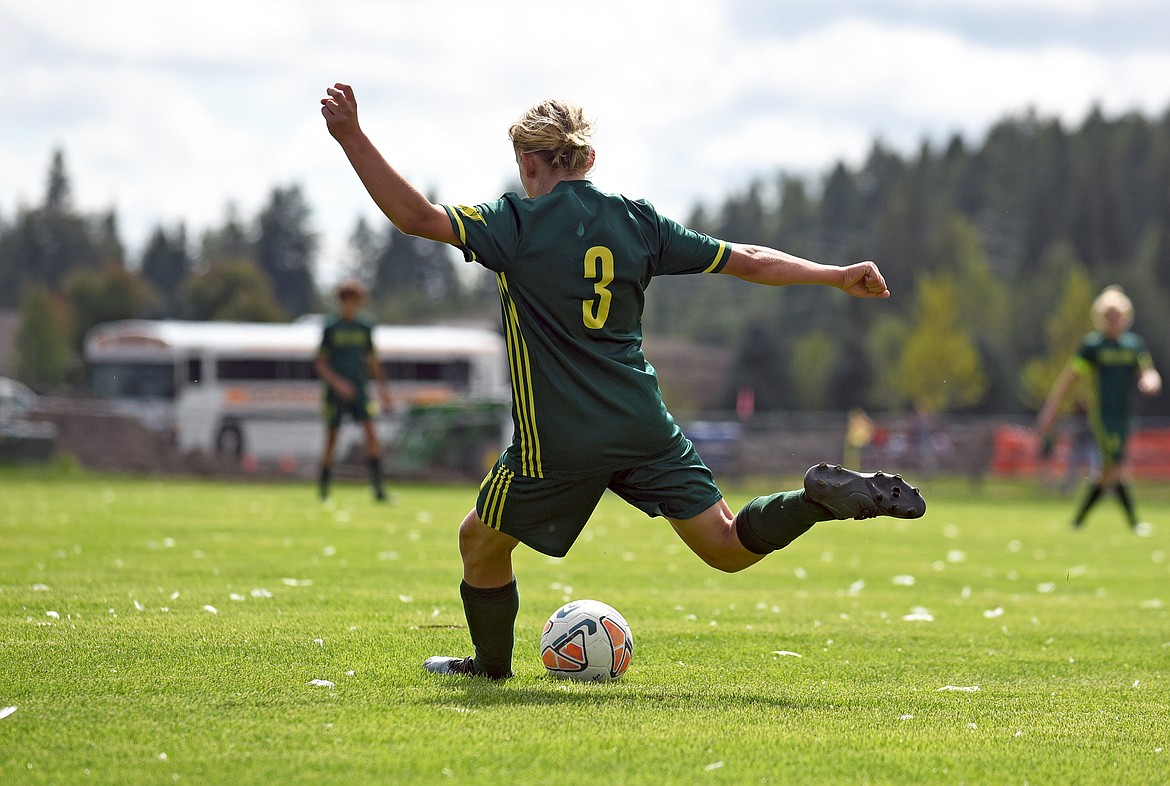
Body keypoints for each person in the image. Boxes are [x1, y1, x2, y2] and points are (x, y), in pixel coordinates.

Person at [320, 83, 926, 680]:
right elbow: (746, 258)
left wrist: (351, 136)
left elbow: (414, 217)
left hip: (559, 438)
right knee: (726, 547)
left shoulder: (515, 223)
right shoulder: (639, 221)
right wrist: (834, 274)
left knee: (479, 541)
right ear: (590, 160)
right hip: (643, 425)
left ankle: (489, 668)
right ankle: (816, 502)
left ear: (528, 163)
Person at [1038, 285, 1161, 533]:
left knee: (1111, 471)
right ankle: (1133, 522)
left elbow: (1148, 372)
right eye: (1107, 316)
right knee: (1115, 466)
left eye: (1116, 316)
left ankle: (1079, 521)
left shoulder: (1133, 346)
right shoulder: (1093, 346)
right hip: (1103, 416)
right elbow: (1069, 378)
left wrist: (1151, 382)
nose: (1112, 321)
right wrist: (1051, 409)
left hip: (1125, 416)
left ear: (1126, 317)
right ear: (1100, 317)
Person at [314, 279, 393, 501]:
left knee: (371, 434)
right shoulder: (331, 328)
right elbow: (320, 363)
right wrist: (338, 383)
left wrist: (383, 391)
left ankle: (378, 489)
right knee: (331, 438)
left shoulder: (365, 327)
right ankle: (324, 490)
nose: (351, 306)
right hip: (335, 393)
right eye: (347, 301)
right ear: (341, 302)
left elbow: (372, 361)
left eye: (355, 302)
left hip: (359, 390)